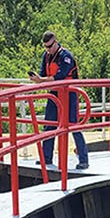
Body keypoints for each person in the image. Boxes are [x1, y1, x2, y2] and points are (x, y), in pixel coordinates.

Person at [28, 31, 89, 171]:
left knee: (73, 125)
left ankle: (84, 159)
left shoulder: (66, 56)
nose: (47, 49)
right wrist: (37, 80)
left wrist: (41, 80)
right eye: (45, 47)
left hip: (69, 93)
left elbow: (60, 76)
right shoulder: (47, 56)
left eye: (49, 46)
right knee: (49, 124)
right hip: (54, 93)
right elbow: (43, 74)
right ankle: (46, 157)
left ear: (56, 42)